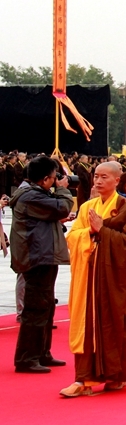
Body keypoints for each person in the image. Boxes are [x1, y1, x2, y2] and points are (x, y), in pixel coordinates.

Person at [61, 162, 126, 397]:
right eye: (96, 177)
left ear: (117, 181)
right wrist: (90, 231)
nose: (98, 181)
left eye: (104, 177)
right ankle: (82, 379)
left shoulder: (125, 207)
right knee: (87, 324)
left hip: (114, 280)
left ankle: (114, 375)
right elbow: (73, 237)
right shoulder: (87, 206)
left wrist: (103, 230)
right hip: (89, 277)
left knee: (114, 324)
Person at [9, 157, 74, 373]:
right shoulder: (30, 196)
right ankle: (27, 358)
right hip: (36, 258)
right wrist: (64, 191)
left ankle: (42, 353)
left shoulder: (34, 193)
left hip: (42, 255)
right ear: (45, 179)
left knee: (46, 306)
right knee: (36, 308)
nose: (57, 181)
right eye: (54, 178)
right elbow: (62, 207)